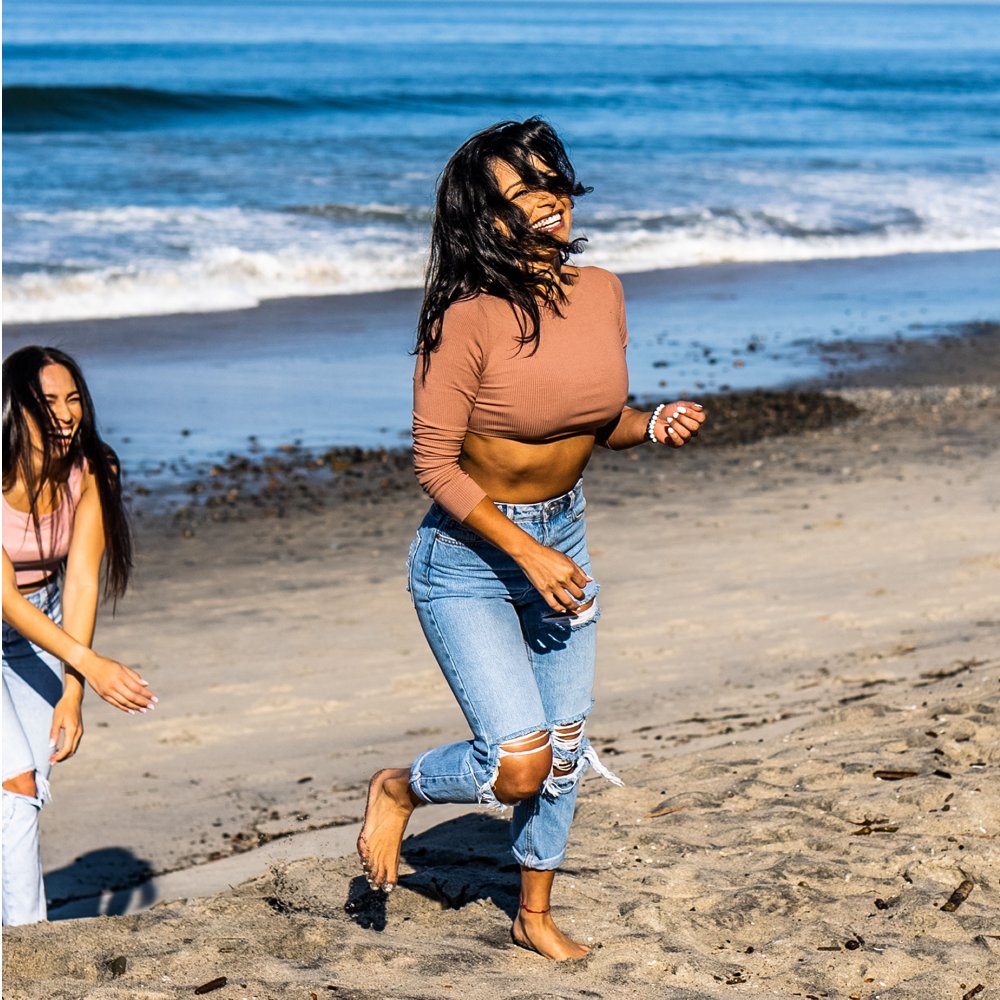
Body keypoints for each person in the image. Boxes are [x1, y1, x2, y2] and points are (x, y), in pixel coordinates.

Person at [357, 118, 706, 960]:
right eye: (524, 191)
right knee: (516, 761)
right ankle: (400, 787)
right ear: (486, 217)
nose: (548, 201)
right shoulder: (465, 320)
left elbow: (592, 421)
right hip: (470, 558)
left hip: (564, 534)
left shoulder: (605, 291)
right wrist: (528, 551)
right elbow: (436, 466)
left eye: (554, 182)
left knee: (564, 749)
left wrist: (648, 423)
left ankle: (533, 913)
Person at [2, 345, 156, 926]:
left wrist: (74, 690)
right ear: (16, 407)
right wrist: (92, 664)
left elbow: (83, 582)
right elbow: (5, 600)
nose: (65, 414)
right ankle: (26, 947)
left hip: (41, 628)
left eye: (73, 400)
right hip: (15, 613)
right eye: (48, 402)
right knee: (12, 779)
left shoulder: (92, 469)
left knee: (27, 786)